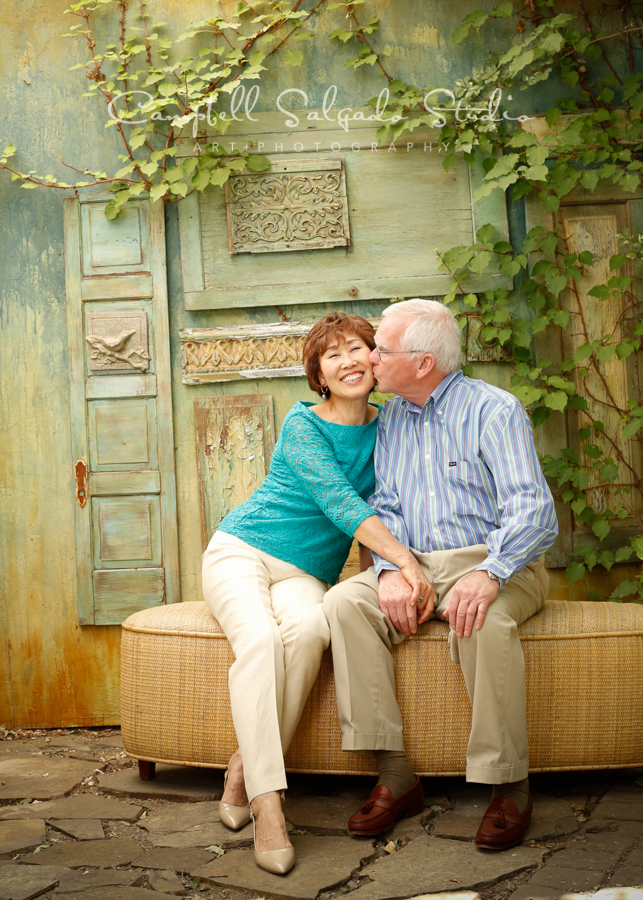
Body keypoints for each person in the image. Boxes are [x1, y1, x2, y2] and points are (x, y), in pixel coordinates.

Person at [201, 312, 432, 876]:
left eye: (359, 349)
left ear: (376, 362)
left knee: (310, 631)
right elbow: (343, 506)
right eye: (334, 355)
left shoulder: (392, 427)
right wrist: (404, 560)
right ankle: (269, 804)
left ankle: (241, 769)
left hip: (307, 573)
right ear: (319, 375)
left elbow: (402, 501)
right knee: (259, 639)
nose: (350, 361)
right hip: (243, 550)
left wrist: (391, 574)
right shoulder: (303, 425)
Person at [323, 298, 558, 849]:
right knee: (343, 604)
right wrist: (386, 573)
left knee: (484, 620)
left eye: (381, 348)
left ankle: (508, 785)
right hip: (418, 563)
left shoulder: (494, 410)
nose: (370, 358)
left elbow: (533, 511)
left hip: (501, 561)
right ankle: (397, 774)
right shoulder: (393, 420)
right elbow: (389, 506)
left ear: (423, 362)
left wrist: (491, 573)